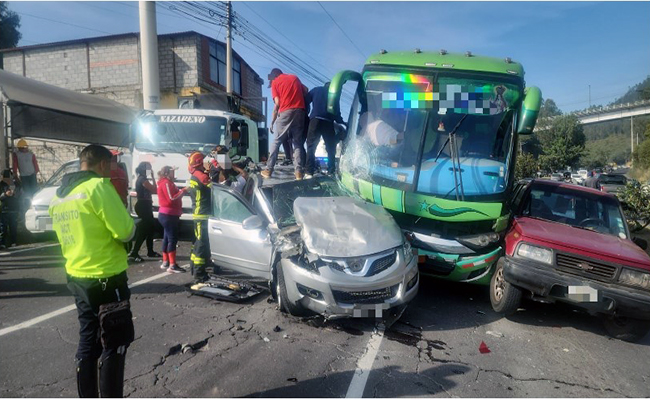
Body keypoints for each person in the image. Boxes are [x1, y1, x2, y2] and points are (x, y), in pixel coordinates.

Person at [49, 144, 135, 398]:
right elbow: (125, 231)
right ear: (101, 164)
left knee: (88, 340)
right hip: (107, 276)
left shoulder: (60, 196)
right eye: (109, 167)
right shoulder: (98, 187)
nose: (109, 173)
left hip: (77, 276)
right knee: (115, 342)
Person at [261, 68, 308, 180]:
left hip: (286, 111)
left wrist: (272, 121)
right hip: (300, 111)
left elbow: (277, 103)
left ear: (274, 76)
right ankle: (298, 173)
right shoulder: (294, 77)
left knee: (277, 141)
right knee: (297, 143)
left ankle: (268, 170)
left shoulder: (276, 82)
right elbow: (306, 90)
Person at [187, 151, 216, 283]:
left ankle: (194, 267)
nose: (205, 162)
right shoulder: (202, 177)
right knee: (202, 244)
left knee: (197, 242)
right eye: (203, 160)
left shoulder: (195, 175)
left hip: (198, 214)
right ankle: (199, 274)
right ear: (199, 163)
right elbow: (214, 190)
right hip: (203, 215)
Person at [305, 82, 344, 177]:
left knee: (311, 146)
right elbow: (337, 112)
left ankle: (309, 172)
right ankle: (331, 171)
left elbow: (306, 100)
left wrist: (308, 112)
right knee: (331, 148)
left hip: (315, 120)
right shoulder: (333, 95)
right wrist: (342, 121)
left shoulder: (316, 90)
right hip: (328, 122)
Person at [128, 162, 161, 262]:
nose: (149, 171)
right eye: (148, 169)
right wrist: (153, 177)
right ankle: (134, 252)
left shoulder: (143, 178)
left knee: (150, 229)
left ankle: (150, 251)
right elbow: (154, 190)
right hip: (143, 206)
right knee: (144, 230)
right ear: (143, 169)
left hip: (146, 205)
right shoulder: (142, 179)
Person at [157, 166, 186, 273]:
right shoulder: (166, 183)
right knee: (172, 239)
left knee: (167, 238)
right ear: (167, 173)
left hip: (167, 214)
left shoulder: (167, 182)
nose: (174, 174)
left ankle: (166, 262)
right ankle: (172, 265)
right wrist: (184, 190)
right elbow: (171, 198)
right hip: (169, 214)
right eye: (172, 172)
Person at [0, 169, 22, 248]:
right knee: (3, 228)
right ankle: (2, 243)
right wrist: (5, 194)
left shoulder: (16, 184)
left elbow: (19, 195)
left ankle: (14, 242)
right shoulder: (1, 185)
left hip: (14, 209)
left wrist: (13, 194)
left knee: (13, 227)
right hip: (4, 210)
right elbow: (1, 197)